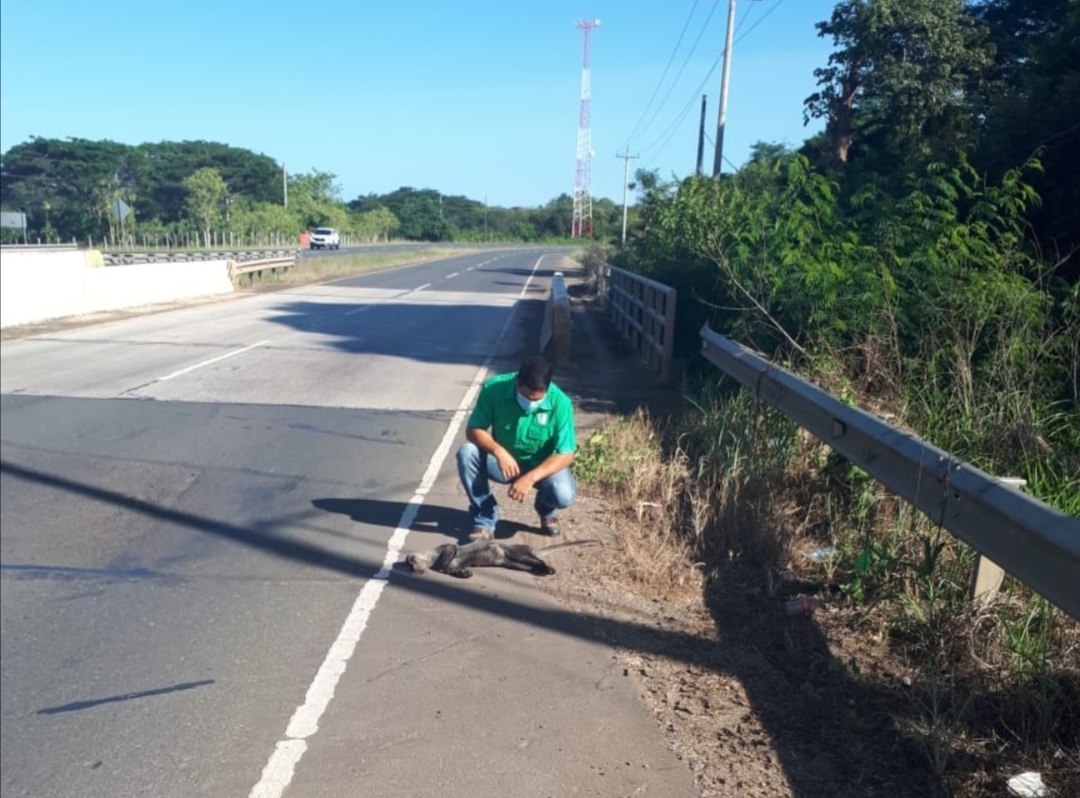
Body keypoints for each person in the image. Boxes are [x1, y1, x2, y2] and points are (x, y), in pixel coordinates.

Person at [456, 356, 577, 540]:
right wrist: (499, 451)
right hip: (504, 463)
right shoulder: (494, 389)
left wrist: (530, 478)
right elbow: (473, 430)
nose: (530, 403)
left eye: (536, 400)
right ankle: (484, 518)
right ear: (517, 382)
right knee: (467, 453)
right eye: (526, 397)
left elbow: (566, 454)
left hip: (540, 466)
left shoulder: (561, 403)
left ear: (547, 388)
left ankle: (546, 510)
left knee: (564, 495)